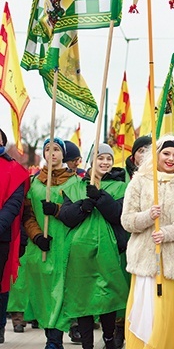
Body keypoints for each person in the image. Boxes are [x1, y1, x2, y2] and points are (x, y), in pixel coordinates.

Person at [121, 135, 174, 348]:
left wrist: (168, 233)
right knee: (146, 317)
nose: (171, 158)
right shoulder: (140, 180)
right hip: (145, 263)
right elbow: (127, 220)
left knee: (169, 316)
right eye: (166, 153)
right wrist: (147, 216)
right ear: (157, 154)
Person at [8, 137, 78, 349]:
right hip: (41, 249)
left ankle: (55, 340)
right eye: (48, 149)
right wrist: (37, 236)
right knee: (44, 295)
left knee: (60, 294)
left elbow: (77, 213)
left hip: (65, 249)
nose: (52, 153)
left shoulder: (74, 182)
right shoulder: (34, 182)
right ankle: (50, 336)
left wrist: (57, 210)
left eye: (56, 149)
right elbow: (27, 215)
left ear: (63, 154)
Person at [58, 143, 129, 349]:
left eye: (109, 158)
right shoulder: (73, 187)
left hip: (110, 249)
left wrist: (100, 198)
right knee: (83, 296)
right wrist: (83, 206)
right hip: (80, 252)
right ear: (91, 160)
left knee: (108, 295)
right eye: (100, 158)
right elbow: (67, 218)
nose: (105, 162)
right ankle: (87, 344)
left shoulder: (121, 186)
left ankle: (108, 336)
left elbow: (119, 215)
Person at [0, 128, 30, 344]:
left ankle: (0, 325)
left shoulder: (14, 170)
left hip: (1, 236)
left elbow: (14, 204)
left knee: (0, 285)